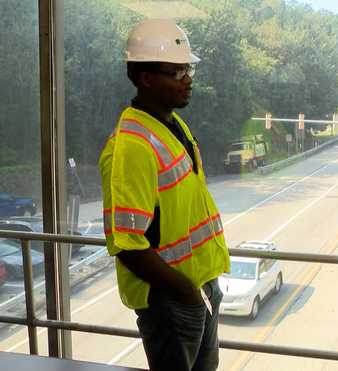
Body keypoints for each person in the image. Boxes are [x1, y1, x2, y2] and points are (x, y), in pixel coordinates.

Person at [98, 19, 230, 371]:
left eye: (187, 69)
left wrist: (198, 287)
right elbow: (127, 245)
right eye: (176, 72)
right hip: (170, 300)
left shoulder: (170, 124)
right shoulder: (134, 145)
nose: (187, 79)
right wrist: (184, 291)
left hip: (196, 288)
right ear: (145, 78)